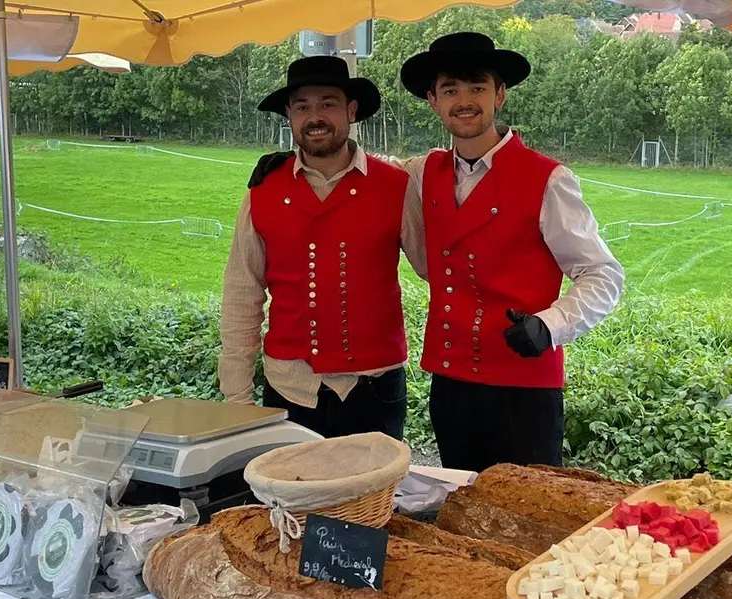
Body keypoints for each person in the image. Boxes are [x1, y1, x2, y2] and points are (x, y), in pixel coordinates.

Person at [395, 32, 624, 472]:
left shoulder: (549, 179)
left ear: (499, 95)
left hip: (525, 389)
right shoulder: (423, 173)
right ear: (433, 101)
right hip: (452, 383)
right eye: (450, 90)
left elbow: (602, 274)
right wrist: (290, 161)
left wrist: (550, 325)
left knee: (530, 518)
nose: (464, 100)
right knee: (463, 510)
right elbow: (364, 170)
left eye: (477, 87)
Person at [219, 56, 422, 440]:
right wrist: (237, 397)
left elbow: (434, 267)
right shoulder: (263, 191)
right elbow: (241, 293)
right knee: (289, 498)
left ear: (351, 110)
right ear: (289, 116)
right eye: (302, 107)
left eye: (328, 103)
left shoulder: (396, 185)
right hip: (288, 390)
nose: (315, 116)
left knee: (374, 500)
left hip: (374, 389)